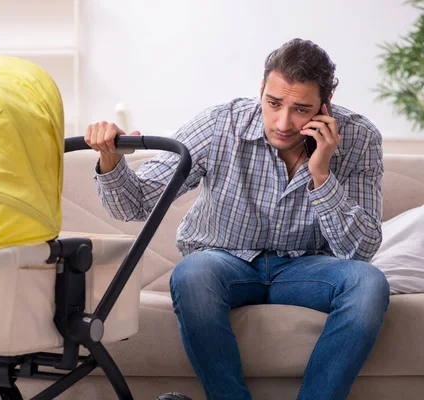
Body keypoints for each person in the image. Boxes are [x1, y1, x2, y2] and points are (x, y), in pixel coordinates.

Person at [84, 38, 390, 400]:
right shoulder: (220, 125)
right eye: (273, 103)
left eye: (301, 109)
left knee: (369, 283)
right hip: (223, 263)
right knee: (192, 272)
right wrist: (110, 159)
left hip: (305, 269)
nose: (283, 122)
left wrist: (321, 173)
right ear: (260, 89)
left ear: (326, 107)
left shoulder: (359, 138)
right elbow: (133, 205)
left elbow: (360, 250)